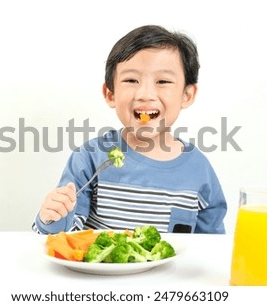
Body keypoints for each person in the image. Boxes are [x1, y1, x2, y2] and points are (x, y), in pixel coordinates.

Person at [32, 25, 227, 234]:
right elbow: (63, 236)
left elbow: (211, 246)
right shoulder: (90, 157)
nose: (145, 93)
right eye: (131, 80)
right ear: (110, 94)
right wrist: (52, 217)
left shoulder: (199, 170)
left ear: (186, 95)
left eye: (163, 81)